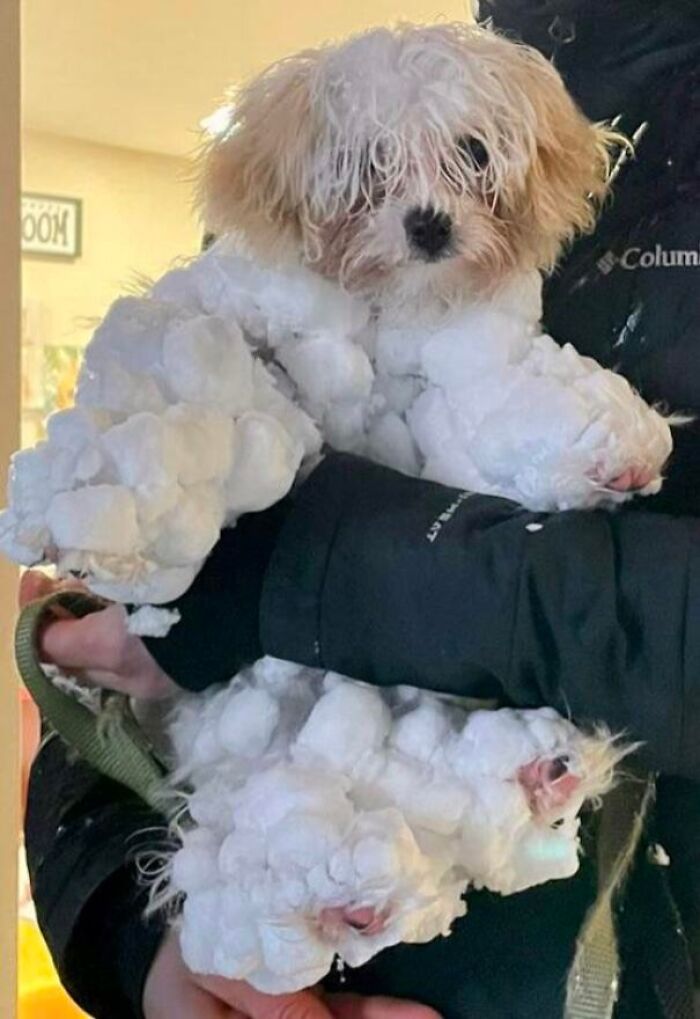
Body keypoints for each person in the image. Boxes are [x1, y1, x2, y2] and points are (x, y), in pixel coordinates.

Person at [22, 1, 700, 1017]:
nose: (422, 204)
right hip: (287, 933)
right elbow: (134, 622)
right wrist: (142, 928)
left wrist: (301, 566)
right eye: (374, 177)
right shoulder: (305, 190)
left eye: (470, 164)